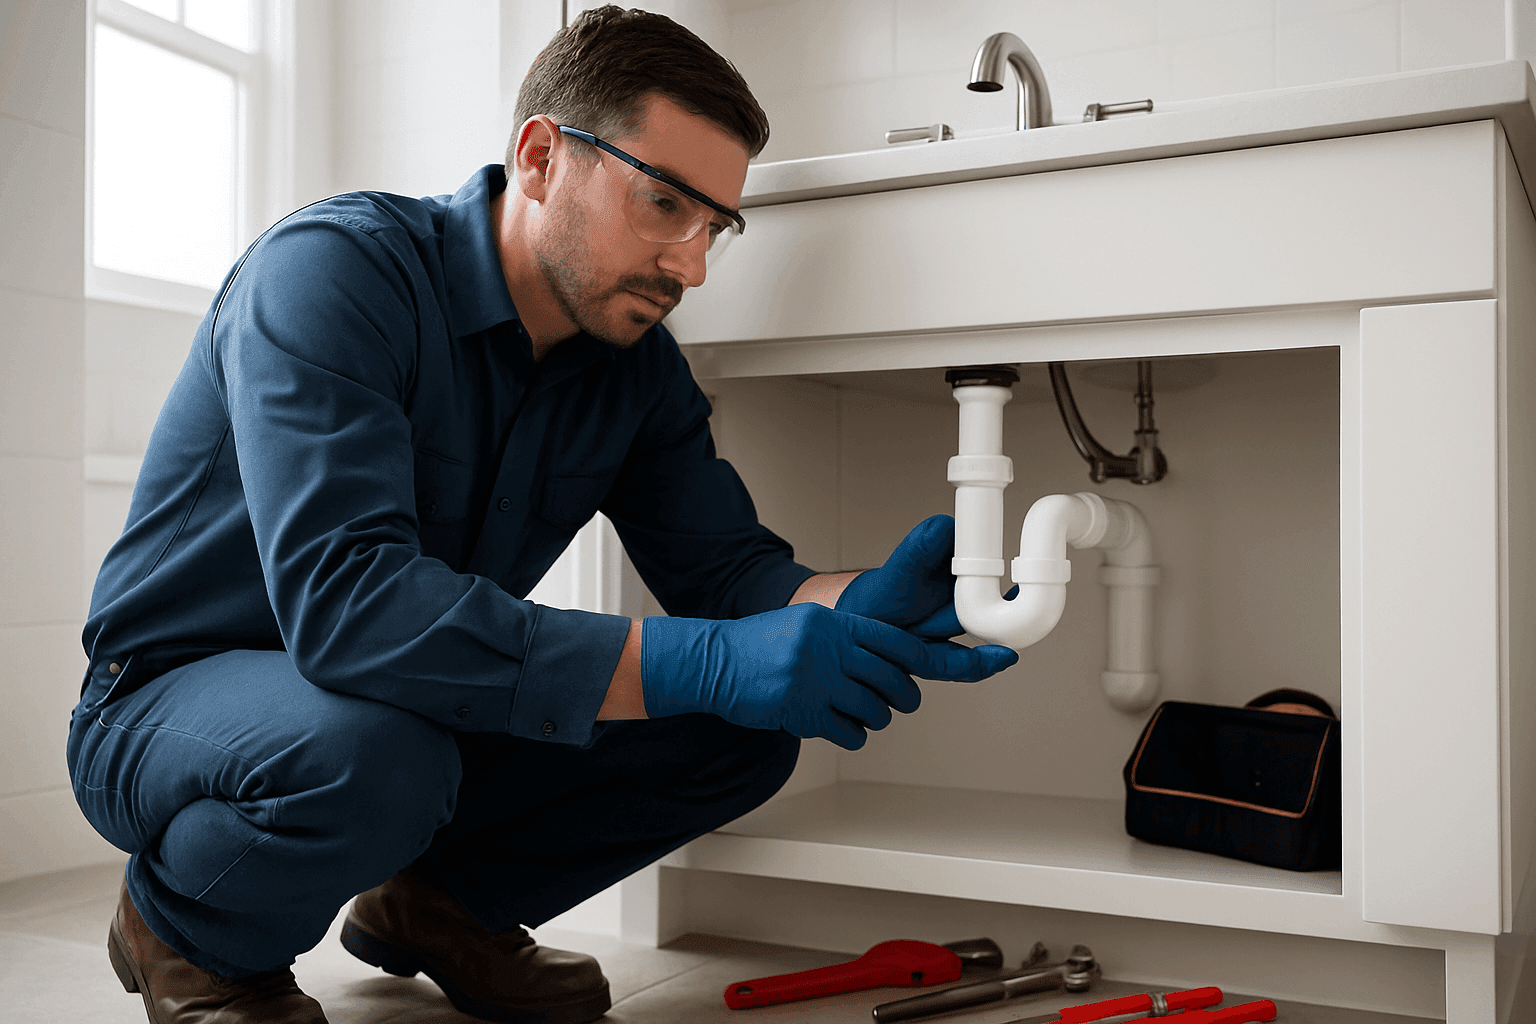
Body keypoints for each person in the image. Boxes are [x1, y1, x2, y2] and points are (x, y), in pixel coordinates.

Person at [67, 7, 1019, 1024]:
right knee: (381, 749)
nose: (690, 267)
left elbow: (729, 573)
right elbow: (353, 609)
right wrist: (703, 658)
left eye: (714, 229)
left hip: (403, 702)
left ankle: (440, 904)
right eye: (664, 204)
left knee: (742, 727)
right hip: (168, 702)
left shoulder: (633, 369)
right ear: (540, 157)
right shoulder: (335, 274)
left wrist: (855, 602)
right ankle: (185, 927)